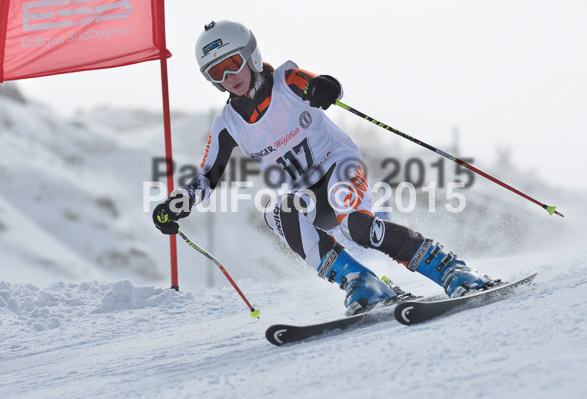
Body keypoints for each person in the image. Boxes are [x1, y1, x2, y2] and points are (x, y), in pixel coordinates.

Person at [153, 20, 494, 316]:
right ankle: (362, 282)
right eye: (217, 72)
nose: (229, 77)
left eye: (233, 63)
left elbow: (318, 81)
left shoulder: (286, 80)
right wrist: (177, 203)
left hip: (338, 168)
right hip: (305, 195)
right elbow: (207, 177)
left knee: (359, 227)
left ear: (252, 56)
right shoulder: (227, 125)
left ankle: (452, 269)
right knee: (279, 212)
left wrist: (324, 87)